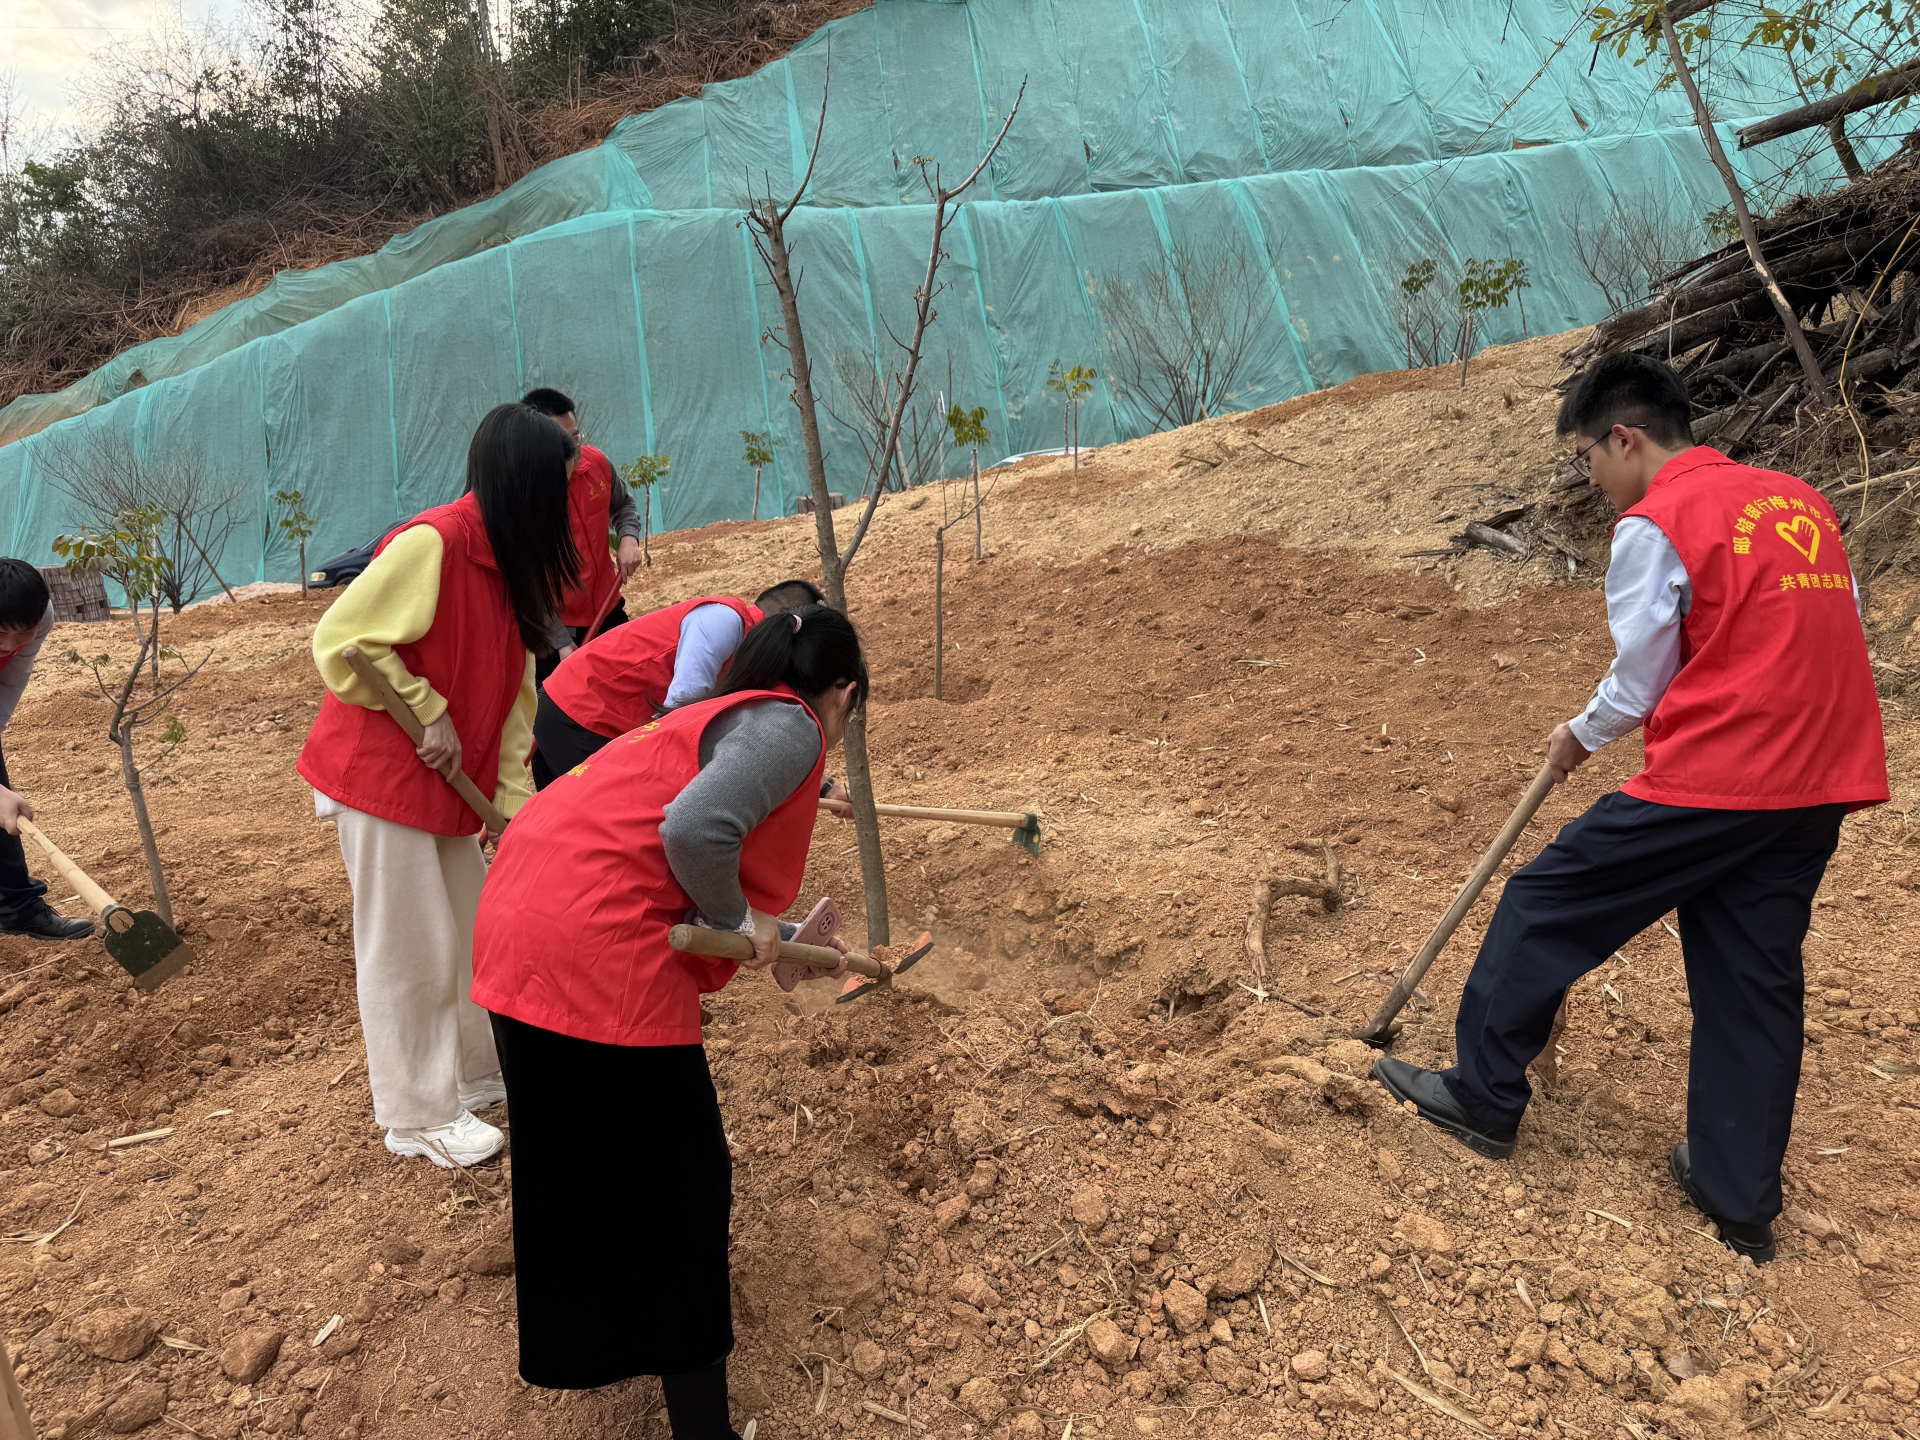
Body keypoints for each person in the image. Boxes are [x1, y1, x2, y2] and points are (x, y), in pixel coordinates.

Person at [1372, 352, 1887, 1264]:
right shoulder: (1799, 501)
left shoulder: (1659, 519)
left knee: (1545, 902)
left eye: (1587, 459)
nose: (1592, 480)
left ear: (1625, 438)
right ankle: (1736, 1195)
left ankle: (1482, 1097)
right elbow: (1833, 622)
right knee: (1751, 972)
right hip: (1822, 777)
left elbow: (1642, 679)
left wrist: (1578, 736)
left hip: (1724, 773)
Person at [471, 605, 865, 1437]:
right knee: (686, 1185)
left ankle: (601, 1344)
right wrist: (738, 915)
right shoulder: (791, 726)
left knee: (579, 1163)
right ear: (845, 695)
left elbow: (670, 841)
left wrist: (770, 934)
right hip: (592, 948)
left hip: (521, 919)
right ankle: (701, 1426)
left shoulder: (706, 714)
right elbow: (695, 829)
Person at [297, 403, 579, 1168]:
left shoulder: (509, 568)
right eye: (558, 486)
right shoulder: (435, 542)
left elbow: (516, 706)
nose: (567, 503)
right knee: (410, 946)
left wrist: (517, 814)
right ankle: (416, 1115)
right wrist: (427, 708)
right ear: (523, 483)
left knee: (472, 931)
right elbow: (343, 638)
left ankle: (475, 1074)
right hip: (380, 776)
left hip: (449, 787)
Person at [530, 579, 825, 789]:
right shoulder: (723, 622)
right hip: (579, 714)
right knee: (610, 824)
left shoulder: (754, 661)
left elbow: (762, 733)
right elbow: (678, 715)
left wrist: (824, 786)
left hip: (606, 722)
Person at [519, 388, 646, 680]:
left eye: (576, 436)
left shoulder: (596, 464)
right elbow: (526, 582)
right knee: (559, 702)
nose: (574, 448)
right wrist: (561, 642)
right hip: (554, 630)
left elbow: (623, 505)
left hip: (607, 608)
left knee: (625, 684)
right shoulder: (525, 496)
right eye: (564, 441)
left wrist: (628, 538)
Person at [0, 562, 92, 941]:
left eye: (23, 633)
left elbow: (11, 679)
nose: (10, 645)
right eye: (0, 633)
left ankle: (18, 910)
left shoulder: (43, 617)